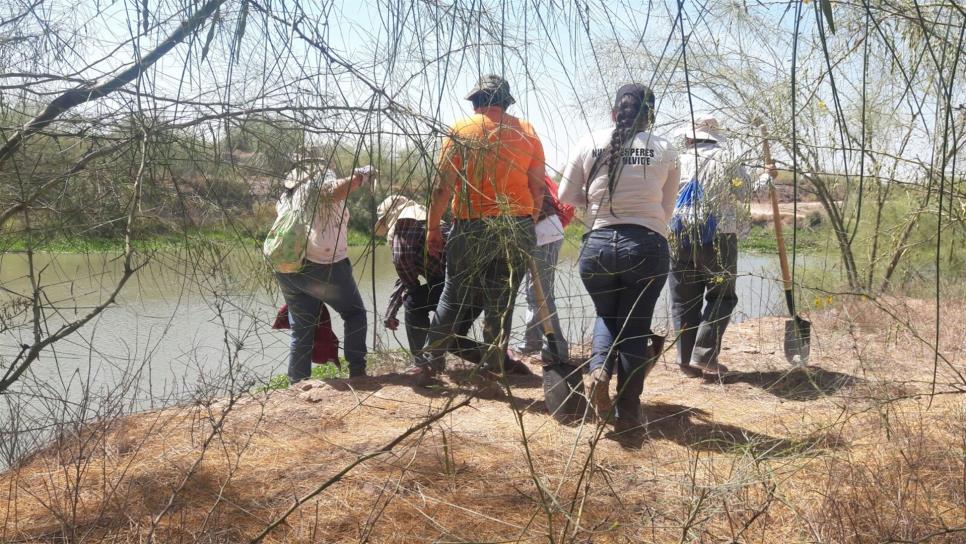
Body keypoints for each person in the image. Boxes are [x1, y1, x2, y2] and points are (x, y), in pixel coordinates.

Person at [406, 74, 545, 385]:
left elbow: (443, 187)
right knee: (502, 301)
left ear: (476, 102)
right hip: (517, 226)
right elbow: (538, 188)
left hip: (472, 226)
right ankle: (493, 369)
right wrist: (528, 222)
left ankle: (430, 363)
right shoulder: (527, 132)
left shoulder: (461, 131)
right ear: (505, 102)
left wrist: (432, 228)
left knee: (453, 295)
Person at [558, 83, 680, 432]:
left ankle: (599, 370)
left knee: (606, 315)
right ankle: (628, 414)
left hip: (596, 245)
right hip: (646, 245)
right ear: (650, 116)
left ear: (614, 113)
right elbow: (666, 208)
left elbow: (567, 194)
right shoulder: (666, 148)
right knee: (634, 328)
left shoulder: (589, 141)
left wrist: (598, 207)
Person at [669, 116, 777, 378]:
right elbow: (745, 192)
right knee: (722, 296)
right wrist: (767, 176)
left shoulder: (674, 161)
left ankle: (686, 360)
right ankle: (704, 354)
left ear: (689, 137)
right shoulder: (726, 160)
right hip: (719, 237)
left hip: (679, 237)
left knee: (683, 299)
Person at [377, 195, 532, 374]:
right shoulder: (429, 223)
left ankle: (423, 364)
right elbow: (404, 272)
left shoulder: (404, 226)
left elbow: (402, 262)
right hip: (475, 286)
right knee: (452, 339)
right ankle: (505, 363)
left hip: (454, 286)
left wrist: (409, 291)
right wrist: (392, 308)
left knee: (413, 302)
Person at [272, 157, 372, 383]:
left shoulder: (285, 197)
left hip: (288, 270)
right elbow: (331, 191)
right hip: (323, 267)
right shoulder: (314, 187)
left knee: (302, 329)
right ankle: (357, 372)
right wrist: (361, 177)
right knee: (354, 313)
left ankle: (297, 383)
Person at [514, 176, 573, 363]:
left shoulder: (519, 168)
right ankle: (531, 343)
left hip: (544, 232)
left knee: (542, 295)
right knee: (535, 294)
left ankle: (557, 349)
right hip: (544, 231)